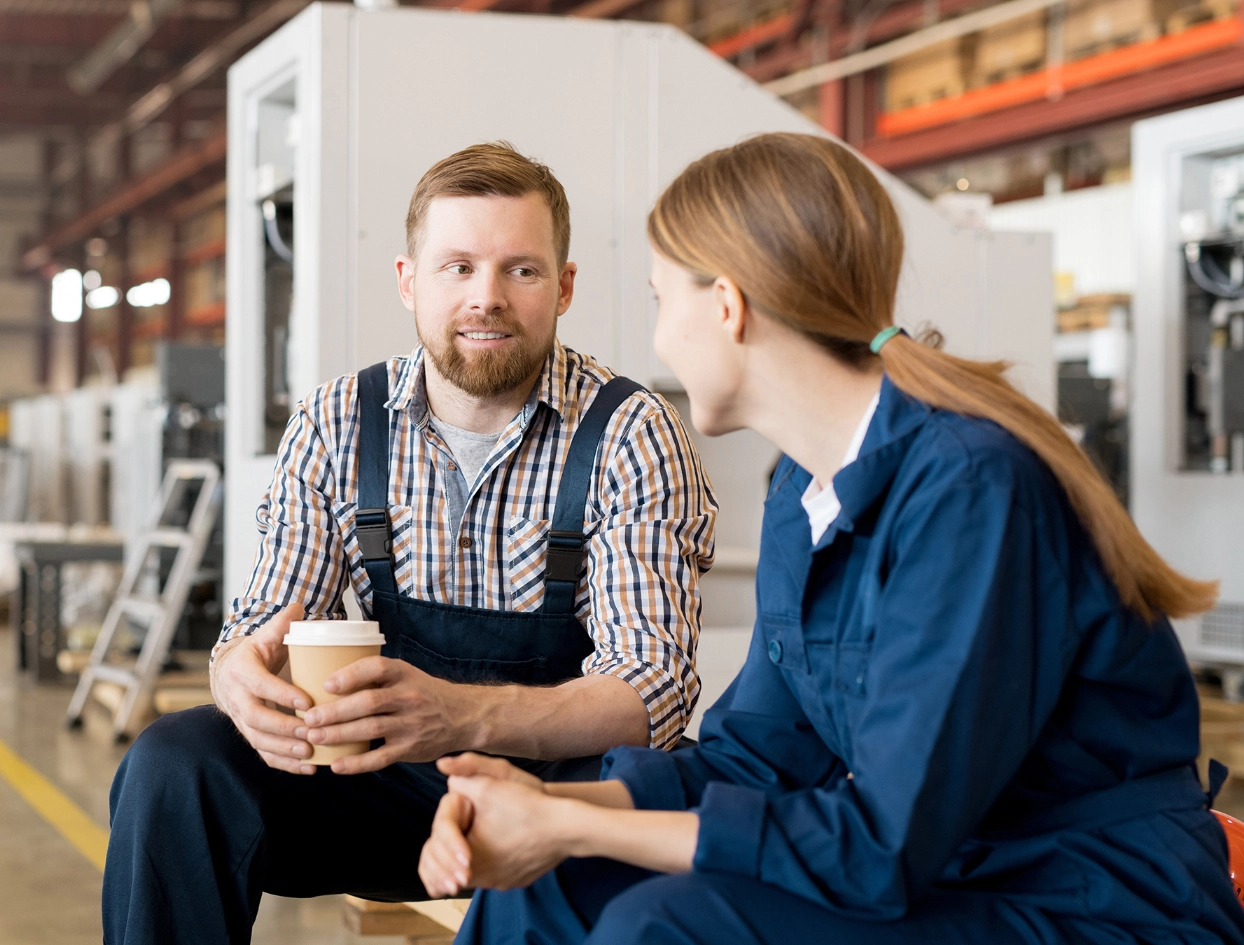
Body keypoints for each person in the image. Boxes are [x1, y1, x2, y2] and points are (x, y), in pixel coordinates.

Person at [417, 132, 1244, 945]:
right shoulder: (800, 492)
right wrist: (548, 813)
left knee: (663, 923)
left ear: (728, 307)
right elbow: (754, 763)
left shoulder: (971, 489)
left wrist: (573, 826)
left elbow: (881, 846)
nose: (661, 338)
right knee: (548, 886)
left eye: (663, 300)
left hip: (1091, 900)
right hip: (957, 876)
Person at [102, 142, 718, 944]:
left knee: (644, 792)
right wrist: (239, 677)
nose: (485, 298)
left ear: (564, 287)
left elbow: (655, 691)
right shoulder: (338, 420)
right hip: (377, 789)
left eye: (521, 271)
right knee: (173, 765)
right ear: (408, 280)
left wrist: (460, 716)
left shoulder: (630, 433)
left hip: (554, 796)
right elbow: (265, 619)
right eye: (456, 267)